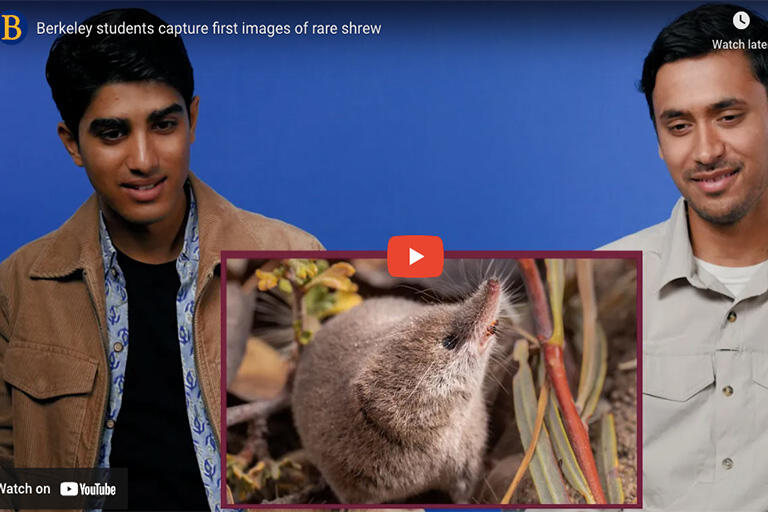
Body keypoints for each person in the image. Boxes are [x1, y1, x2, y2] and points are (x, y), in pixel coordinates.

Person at [0, 8, 322, 511]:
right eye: (112, 133)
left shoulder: (292, 257)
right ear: (73, 144)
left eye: (163, 125)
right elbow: (11, 471)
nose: (145, 159)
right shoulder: (21, 283)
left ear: (192, 119)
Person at [603, 3, 768, 511]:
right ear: (658, 140)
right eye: (678, 126)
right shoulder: (604, 281)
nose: (705, 151)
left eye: (728, 116)